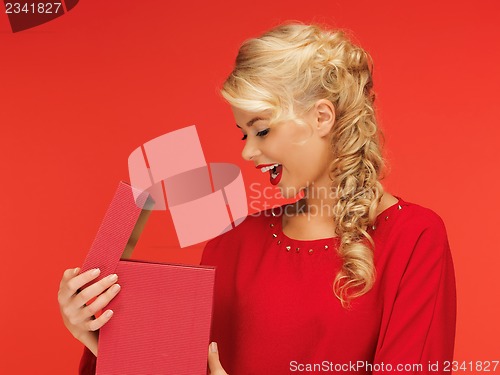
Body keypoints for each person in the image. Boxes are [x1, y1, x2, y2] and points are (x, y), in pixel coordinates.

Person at [58, 23, 456, 374]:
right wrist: (99, 337)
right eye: (243, 133)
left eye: (261, 130)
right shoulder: (234, 242)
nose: (247, 152)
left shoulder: (414, 238)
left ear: (322, 117)